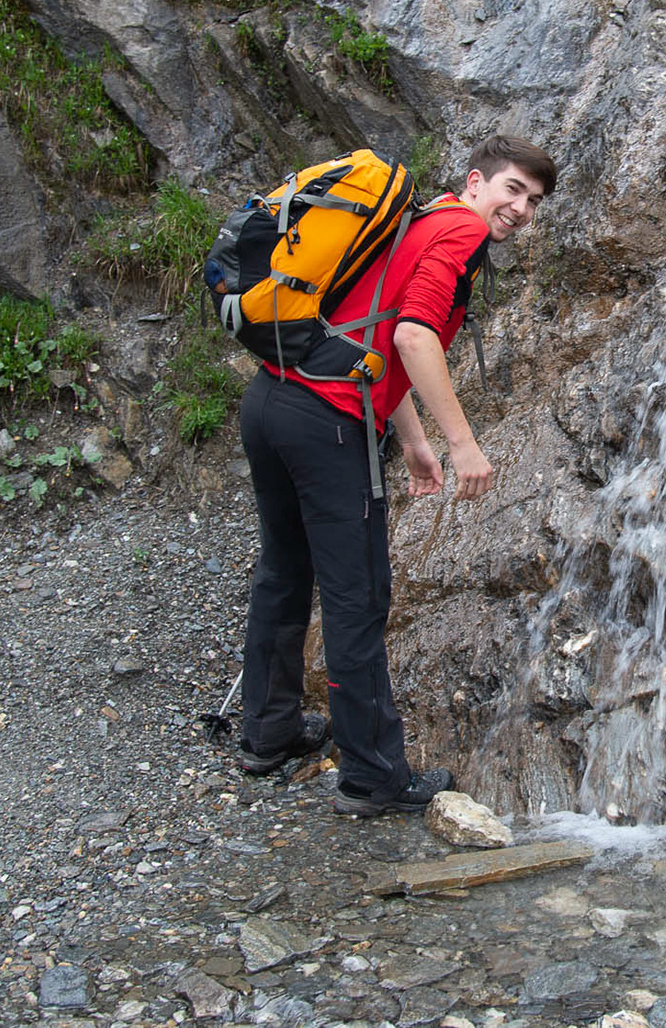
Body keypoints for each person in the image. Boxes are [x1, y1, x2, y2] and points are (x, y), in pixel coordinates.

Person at [234, 135, 557, 816]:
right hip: (325, 422)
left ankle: (268, 733)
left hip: (271, 400)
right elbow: (412, 335)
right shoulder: (462, 232)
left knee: (283, 570)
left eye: (534, 201)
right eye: (513, 189)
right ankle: (373, 777)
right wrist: (462, 444)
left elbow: (372, 332)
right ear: (477, 181)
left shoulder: (423, 217)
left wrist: (412, 441)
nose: (522, 209)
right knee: (357, 596)